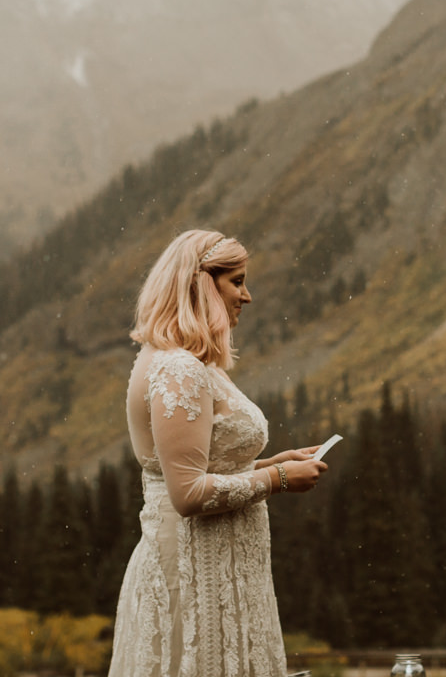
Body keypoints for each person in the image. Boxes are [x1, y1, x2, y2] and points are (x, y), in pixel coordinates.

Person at [108, 229, 328, 677]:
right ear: (201, 284)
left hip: (223, 572)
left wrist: (270, 463)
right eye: (238, 281)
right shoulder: (179, 369)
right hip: (197, 577)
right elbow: (187, 493)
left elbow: (202, 464)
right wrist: (278, 481)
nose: (247, 296)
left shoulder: (184, 361)